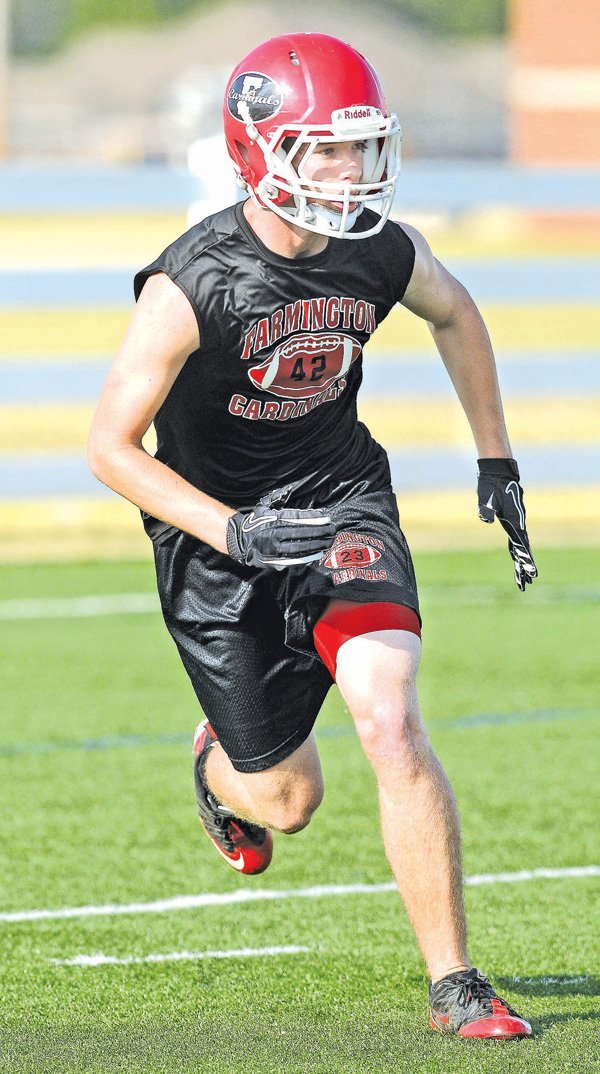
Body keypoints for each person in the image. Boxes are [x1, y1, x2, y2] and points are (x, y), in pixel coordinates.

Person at [88, 32, 538, 1040]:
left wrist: (494, 457)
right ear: (259, 149)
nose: (350, 172)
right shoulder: (193, 279)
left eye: (360, 148)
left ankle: (455, 983)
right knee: (286, 800)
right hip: (214, 537)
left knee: (389, 712)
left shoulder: (378, 248)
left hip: (340, 501)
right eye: (325, 150)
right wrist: (230, 529)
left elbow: (456, 313)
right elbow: (109, 448)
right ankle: (221, 762)